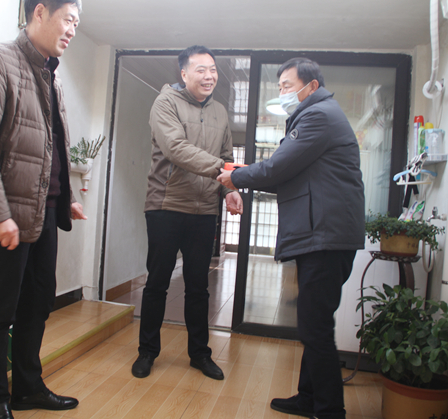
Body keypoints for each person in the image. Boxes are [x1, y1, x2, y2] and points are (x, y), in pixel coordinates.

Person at [0, 0, 86, 418]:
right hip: (6, 213)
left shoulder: (50, 74)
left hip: (43, 210)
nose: (72, 30)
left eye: (77, 24)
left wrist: (65, 198)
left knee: (38, 302)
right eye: (68, 19)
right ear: (39, 12)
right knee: (1, 308)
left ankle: (27, 387)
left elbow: (52, 146)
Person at [217, 58, 365, 419]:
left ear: (311, 86)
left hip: (325, 236)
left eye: (287, 86)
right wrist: (246, 174)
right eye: (280, 86)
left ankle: (330, 411)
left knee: (316, 327)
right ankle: (308, 398)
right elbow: (288, 175)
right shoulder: (318, 115)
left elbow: (278, 167)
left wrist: (237, 177)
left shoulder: (318, 116)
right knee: (315, 323)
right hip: (326, 235)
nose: (282, 92)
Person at [131, 45, 244, 381]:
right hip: (166, 205)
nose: (209, 76)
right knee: (157, 283)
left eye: (213, 70)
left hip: (204, 209)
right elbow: (176, 149)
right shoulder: (165, 102)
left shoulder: (220, 111)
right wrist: (225, 172)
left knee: (198, 287)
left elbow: (226, 156)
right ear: (184, 73)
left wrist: (229, 190)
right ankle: (147, 352)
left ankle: (200, 354)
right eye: (201, 70)